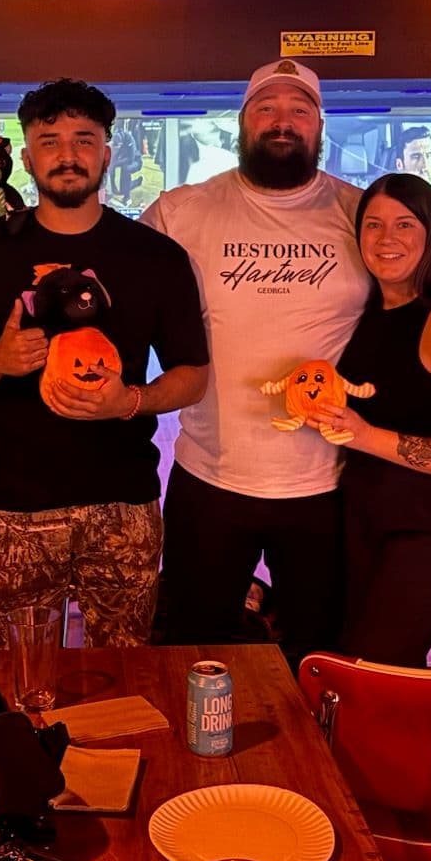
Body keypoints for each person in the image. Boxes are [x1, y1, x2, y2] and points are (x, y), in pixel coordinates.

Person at [0, 79, 208, 648]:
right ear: (28, 154)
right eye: (50, 140)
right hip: (16, 504)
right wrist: (0, 359)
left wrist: (130, 402)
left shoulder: (154, 256)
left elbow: (192, 373)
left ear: (107, 152)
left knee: (127, 672)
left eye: (84, 140)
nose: (68, 155)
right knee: (19, 678)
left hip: (124, 503)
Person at [141, 60, 375, 667]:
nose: (283, 121)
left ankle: (316, 761)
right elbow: (112, 280)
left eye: (299, 109)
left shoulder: (361, 214)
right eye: (266, 107)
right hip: (211, 479)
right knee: (195, 650)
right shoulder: (181, 210)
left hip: (327, 484)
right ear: (242, 122)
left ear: (320, 124)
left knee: (321, 653)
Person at [315, 173, 431, 667]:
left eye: (404, 224)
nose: (386, 239)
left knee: (373, 671)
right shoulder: (367, 309)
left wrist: (363, 434)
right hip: (363, 517)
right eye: (373, 225)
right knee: (366, 674)